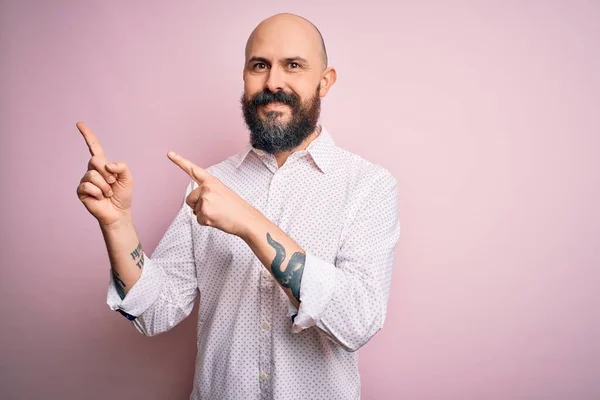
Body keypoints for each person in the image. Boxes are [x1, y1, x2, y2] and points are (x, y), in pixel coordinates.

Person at [76, 12, 401, 400]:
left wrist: (248, 222)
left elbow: (358, 321)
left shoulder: (368, 186)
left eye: (293, 65)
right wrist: (117, 224)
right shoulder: (209, 184)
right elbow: (154, 313)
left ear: (325, 81)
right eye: (259, 66)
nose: (273, 82)